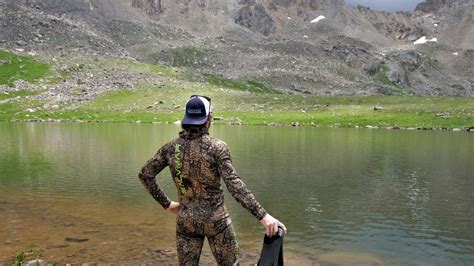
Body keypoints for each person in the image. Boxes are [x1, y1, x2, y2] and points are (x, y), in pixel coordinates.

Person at [138, 95, 287, 265]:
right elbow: (234, 185)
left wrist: (167, 204)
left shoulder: (171, 148)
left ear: (186, 119)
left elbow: (145, 175)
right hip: (217, 221)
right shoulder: (217, 148)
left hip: (186, 220)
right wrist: (264, 217)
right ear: (208, 119)